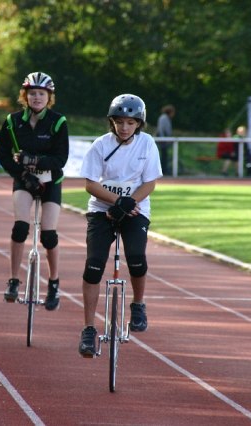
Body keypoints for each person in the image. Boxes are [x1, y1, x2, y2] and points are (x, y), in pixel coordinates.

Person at [78, 94, 162, 357]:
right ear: (112, 122)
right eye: (119, 122)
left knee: (136, 257)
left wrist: (128, 203)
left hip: (135, 209)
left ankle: (138, 304)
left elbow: (150, 182)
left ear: (139, 124)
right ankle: (88, 329)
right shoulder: (101, 145)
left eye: (130, 122)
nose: (124, 127)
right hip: (102, 209)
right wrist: (116, 201)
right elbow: (90, 183)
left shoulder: (147, 144)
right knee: (94, 265)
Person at [0, 71, 69, 311]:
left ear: (49, 97)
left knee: (48, 235)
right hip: (24, 180)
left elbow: (61, 159)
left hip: (50, 182)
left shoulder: (58, 122)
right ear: (25, 96)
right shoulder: (12, 121)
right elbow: (3, 155)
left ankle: (54, 283)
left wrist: (35, 160)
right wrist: (22, 174)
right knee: (20, 227)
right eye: (32, 93)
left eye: (42, 94)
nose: (37, 97)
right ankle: (13, 280)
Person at [155, 104, 175, 175]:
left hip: (164, 139)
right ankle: (162, 171)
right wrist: (163, 139)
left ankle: (164, 170)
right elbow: (161, 129)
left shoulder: (166, 118)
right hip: (162, 139)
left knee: (164, 155)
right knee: (162, 155)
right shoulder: (164, 118)